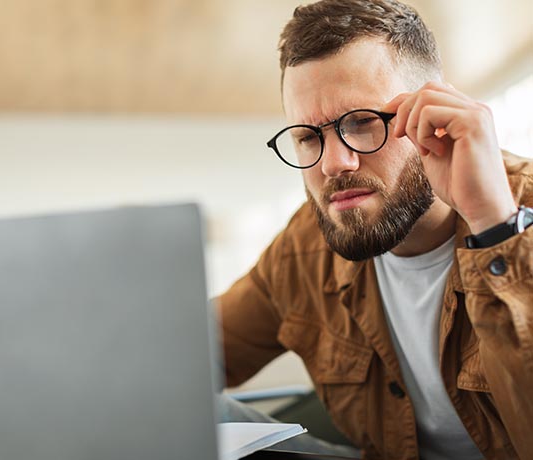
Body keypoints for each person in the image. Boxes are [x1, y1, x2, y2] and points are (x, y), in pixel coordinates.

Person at [217, 0, 533, 459]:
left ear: (434, 113)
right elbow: (189, 354)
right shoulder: (305, 244)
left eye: (362, 123)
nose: (333, 164)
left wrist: (495, 228)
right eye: (308, 136)